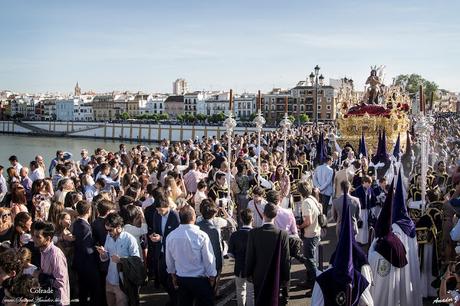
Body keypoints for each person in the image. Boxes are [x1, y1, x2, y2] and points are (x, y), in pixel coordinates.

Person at [165, 205, 217, 306]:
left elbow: (169, 260)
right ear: (193, 217)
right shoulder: (201, 235)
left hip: (182, 278)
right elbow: (209, 259)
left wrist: (173, 275)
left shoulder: (171, 236)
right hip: (200, 279)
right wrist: (212, 276)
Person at [369, 180, 409, 305]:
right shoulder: (398, 242)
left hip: (381, 281)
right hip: (395, 282)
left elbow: (370, 264)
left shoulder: (378, 246)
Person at [245, 203, 290, 306]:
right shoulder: (282, 234)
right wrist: (286, 278)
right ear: (275, 215)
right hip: (276, 274)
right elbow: (285, 259)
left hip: (258, 274)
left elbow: (250, 255)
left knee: (260, 300)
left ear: (263, 214)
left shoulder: (253, 233)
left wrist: (248, 273)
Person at [96, 212, 140, 306]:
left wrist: (121, 260)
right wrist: (103, 254)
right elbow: (106, 257)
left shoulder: (130, 239)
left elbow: (136, 260)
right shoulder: (109, 237)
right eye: (106, 230)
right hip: (110, 280)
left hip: (123, 283)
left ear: (119, 227)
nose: (108, 233)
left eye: (110, 230)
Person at [32, 220, 70, 306]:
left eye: (38, 237)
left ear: (48, 238)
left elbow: (60, 282)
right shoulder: (42, 250)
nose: (34, 239)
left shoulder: (56, 254)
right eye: (34, 235)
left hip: (58, 301)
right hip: (47, 297)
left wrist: (40, 276)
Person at [72, 200, 102, 306]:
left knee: (83, 289)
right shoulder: (84, 226)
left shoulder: (77, 223)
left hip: (81, 262)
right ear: (89, 211)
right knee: (93, 288)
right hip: (87, 263)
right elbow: (86, 247)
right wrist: (96, 249)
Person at [297, 181, 322, 292]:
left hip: (310, 234)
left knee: (310, 260)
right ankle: (310, 282)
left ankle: (315, 286)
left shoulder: (306, 202)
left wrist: (299, 226)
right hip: (316, 232)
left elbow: (308, 221)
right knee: (310, 259)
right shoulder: (313, 199)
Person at [228, 209, 254, 306]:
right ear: (252, 219)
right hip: (253, 268)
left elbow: (230, 254)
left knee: (240, 291)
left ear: (241, 220)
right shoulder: (255, 233)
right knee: (251, 293)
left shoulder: (235, 235)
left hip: (239, 267)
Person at [352, 175, 376, 245]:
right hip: (360, 211)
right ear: (364, 182)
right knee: (360, 225)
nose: (370, 184)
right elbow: (356, 202)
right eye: (369, 183)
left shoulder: (369, 189)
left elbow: (372, 199)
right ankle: (358, 240)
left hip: (367, 210)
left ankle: (365, 240)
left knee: (365, 226)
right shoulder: (358, 190)